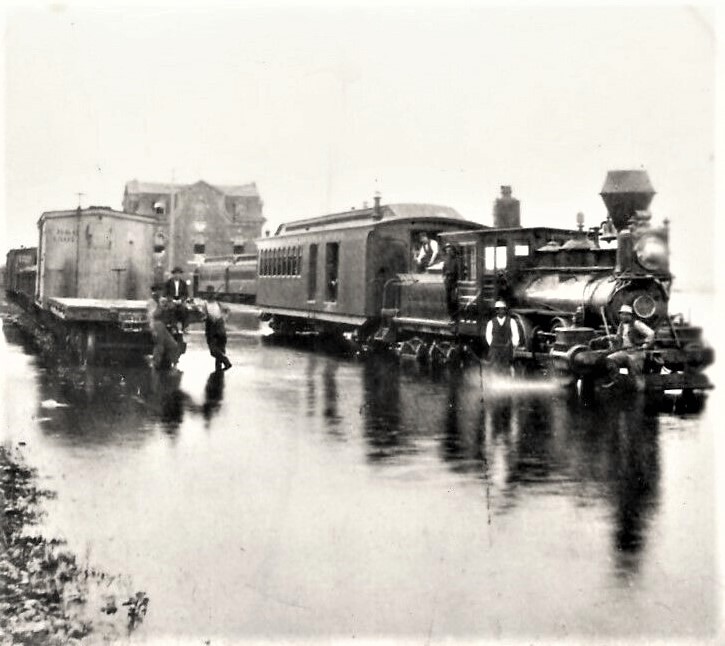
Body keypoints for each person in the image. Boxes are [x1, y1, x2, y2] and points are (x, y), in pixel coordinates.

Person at [605, 304, 655, 389]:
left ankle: (640, 391)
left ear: (630, 315)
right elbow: (619, 337)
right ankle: (616, 379)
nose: (624, 316)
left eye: (626, 314)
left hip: (636, 352)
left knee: (636, 374)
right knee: (609, 359)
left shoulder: (636, 324)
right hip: (624, 351)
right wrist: (611, 338)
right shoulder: (621, 325)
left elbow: (651, 333)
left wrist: (645, 345)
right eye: (622, 314)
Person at [147, 285, 180, 370]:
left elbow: (171, 307)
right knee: (159, 345)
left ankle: (174, 363)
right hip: (156, 324)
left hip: (162, 325)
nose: (158, 293)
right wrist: (161, 306)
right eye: (156, 291)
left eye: (160, 291)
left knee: (173, 345)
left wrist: (169, 304)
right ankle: (156, 364)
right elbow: (153, 315)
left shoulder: (161, 300)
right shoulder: (151, 302)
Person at [484, 300, 520, 372]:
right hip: (495, 350)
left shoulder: (512, 321)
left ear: (505, 310)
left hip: (507, 350)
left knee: (506, 369)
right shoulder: (491, 323)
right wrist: (493, 345)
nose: (500, 311)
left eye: (502, 309)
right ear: (496, 311)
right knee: (494, 369)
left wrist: (512, 345)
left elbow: (515, 335)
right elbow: (488, 336)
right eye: (498, 309)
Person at [202, 287, 232, 371]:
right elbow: (203, 315)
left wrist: (223, 318)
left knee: (216, 349)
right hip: (215, 329)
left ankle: (224, 363)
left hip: (216, 329)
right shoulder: (207, 305)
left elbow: (228, 310)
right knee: (218, 350)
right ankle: (220, 368)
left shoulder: (217, 304)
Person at [165, 266, 189, 331]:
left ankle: (185, 327)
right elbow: (166, 294)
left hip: (180, 300)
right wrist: (172, 300)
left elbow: (186, 294)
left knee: (184, 309)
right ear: (173, 274)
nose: (177, 275)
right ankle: (173, 327)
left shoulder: (183, 283)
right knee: (172, 309)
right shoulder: (168, 282)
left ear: (180, 274)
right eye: (176, 273)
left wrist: (181, 300)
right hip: (171, 300)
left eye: (179, 273)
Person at [441, 243, 459, 322]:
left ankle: (455, 317)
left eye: (449, 250)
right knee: (448, 300)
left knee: (454, 300)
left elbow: (458, 272)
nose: (448, 251)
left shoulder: (456, 260)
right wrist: (444, 277)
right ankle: (451, 317)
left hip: (455, 282)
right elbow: (443, 270)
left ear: (453, 250)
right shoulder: (446, 260)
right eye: (447, 250)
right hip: (448, 282)